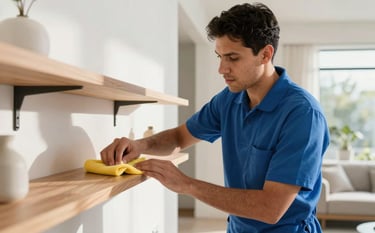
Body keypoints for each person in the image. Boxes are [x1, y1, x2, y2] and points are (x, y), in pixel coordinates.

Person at [101, 3, 330, 232]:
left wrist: (187, 184)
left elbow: (270, 208)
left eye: (232, 58)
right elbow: (180, 137)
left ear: (265, 54)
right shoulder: (229, 100)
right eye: (220, 56)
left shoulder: (303, 114)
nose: (222, 69)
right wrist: (139, 145)